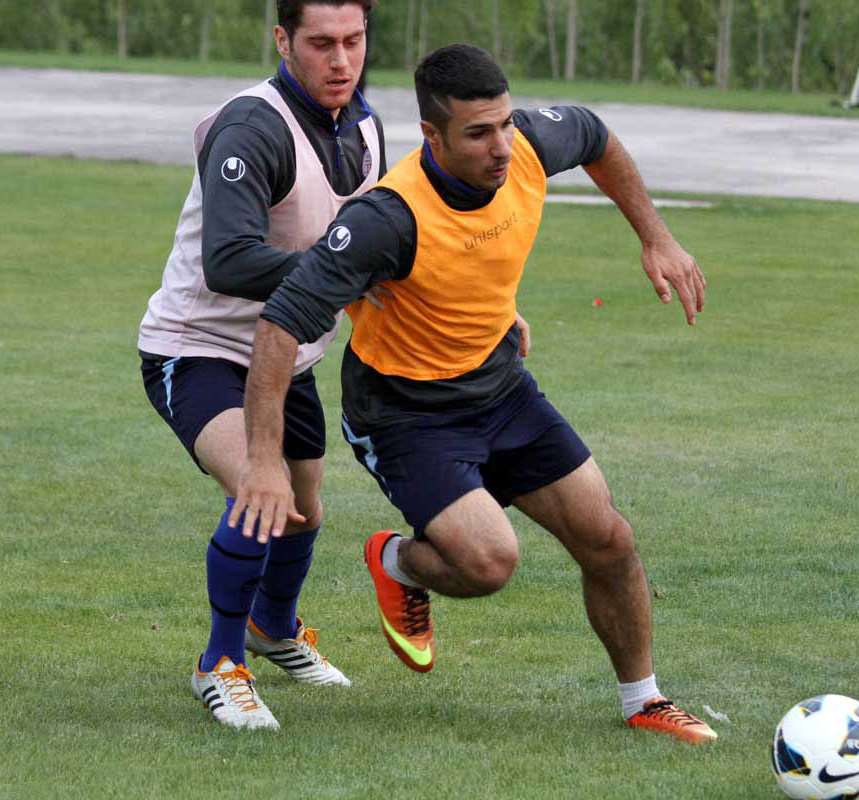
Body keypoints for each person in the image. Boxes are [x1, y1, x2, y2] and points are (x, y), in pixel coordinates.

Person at [232, 43, 718, 744]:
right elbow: (282, 324)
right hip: (404, 413)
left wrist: (657, 237)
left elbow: (596, 136)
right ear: (432, 136)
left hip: (497, 385)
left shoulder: (524, 146)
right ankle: (396, 559)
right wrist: (262, 458)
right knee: (489, 563)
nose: (501, 147)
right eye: (478, 133)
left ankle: (643, 700)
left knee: (608, 537)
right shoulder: (386, 219)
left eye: (505, 125)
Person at [137, 0, 385, 731]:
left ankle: (272, 630)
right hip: (200, 346)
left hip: (290, 350)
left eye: (354, 41)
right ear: (283, 40)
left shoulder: (364, 125)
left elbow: (386, 234)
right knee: (258, 486)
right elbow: (230, 258)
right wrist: (340, 276)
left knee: (303, 508)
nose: (340, 60)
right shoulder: (254, 125)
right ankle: (219, 663)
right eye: (321, 44)